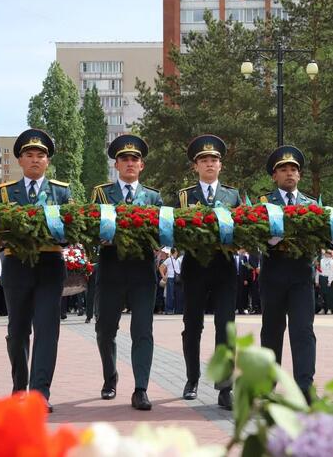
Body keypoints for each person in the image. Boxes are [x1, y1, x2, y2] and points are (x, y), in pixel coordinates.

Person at [0, 128, 72, 413]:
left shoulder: (61, 192)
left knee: (47, 331)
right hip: (17, 267)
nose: (35, 160)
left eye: (41, 155)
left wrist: (60, 234)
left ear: (47, 161)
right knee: (17, 331)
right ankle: (19, 388)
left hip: (50, 267)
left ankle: (40, 393)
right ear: (20, 160)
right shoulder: (6, 192)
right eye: (29, 155)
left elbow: (70, 231)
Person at [91, 134, 162, 411]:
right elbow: (91, 226)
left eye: (135, 159)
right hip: (111, 269)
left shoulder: (153, 197)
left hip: (143, 272)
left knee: (142, 330)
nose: (130, 163)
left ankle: (141, 389)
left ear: (142, 166)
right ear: (116, 165)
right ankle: (110, 377)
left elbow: (161, 231)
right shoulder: (102, 193)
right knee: (105, 329)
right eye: (124, 159)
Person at [175, 135, 241, 409]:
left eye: (214, 159)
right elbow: (174, 230)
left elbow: (243, 228)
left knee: (225, 327)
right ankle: (192, 378)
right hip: (195, 267)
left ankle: (225, 388)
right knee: (192, 326)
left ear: (220, 165)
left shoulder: (233, 196)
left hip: (224, 266)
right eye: (204, 160)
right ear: (196, 166)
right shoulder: (184, 196)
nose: (209, 164)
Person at [257, 145, 318, 398]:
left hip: (301, 272)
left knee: (303, 330)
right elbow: (256, 236)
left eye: (294, 169)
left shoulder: (311, 204)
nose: (289, 173)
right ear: (275, 176)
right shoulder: (264, 204)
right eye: (283, 169)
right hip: (273, 271)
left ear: (300, 175)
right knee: (272, 330)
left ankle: (304, 387)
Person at [162, 248, 181, 316]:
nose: (177, 254)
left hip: (174, 278)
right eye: (176, 252)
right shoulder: (169, 259)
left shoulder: (175, 260)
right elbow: (161, 267)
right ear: (174, 252)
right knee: (170, 294)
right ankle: (168, 310)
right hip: (170, 278)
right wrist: (163, 276)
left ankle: (173, 309)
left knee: (174, 294)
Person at [317, 250, 333, 315]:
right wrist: (317, 280)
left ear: (331, 254)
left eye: (328, 253)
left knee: (329, 295)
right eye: (326, 253)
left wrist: (330, 281)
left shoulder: (332, 262)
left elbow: (332, 272)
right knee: (321, 294)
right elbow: (318, 270)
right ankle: (322, 308)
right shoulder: (321, 261)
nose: (327, 254)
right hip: (321, 278)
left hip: (328, 279)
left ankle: (329, 309)